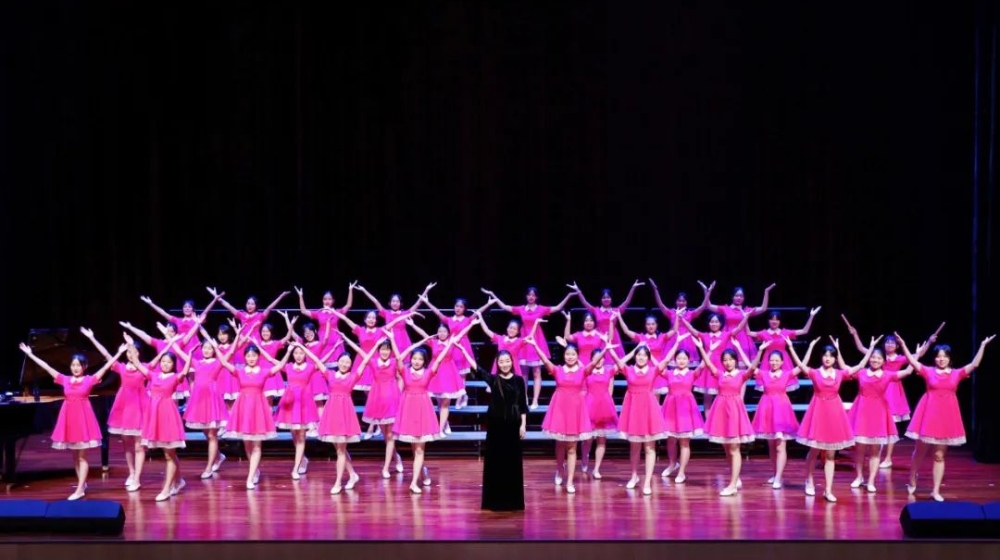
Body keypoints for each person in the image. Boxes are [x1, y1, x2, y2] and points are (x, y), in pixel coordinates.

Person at [19, 341, 126, 501]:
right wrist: (30, 354)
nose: (75, 368)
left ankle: (80, 488)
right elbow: (47, 367)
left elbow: (105, 368)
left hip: (83, 418)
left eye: (78, 365)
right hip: (69, 418)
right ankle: (82, 484)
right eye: (73, 365)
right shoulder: (65, 379)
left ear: (84, 367)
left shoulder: (89, 380)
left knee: (82, 456)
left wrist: (119, 353)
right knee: (75, 455)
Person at [896, 332, 995, 502]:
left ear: (949, 358)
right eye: (938, 356)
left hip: (947, 416)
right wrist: (904, 345)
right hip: (928, 414)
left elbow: (974, 364)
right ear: (934, 358)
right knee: (920, 451)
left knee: (939, 455)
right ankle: (912, 476)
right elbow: (912, 362)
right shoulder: (928, 371)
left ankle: (935, 491)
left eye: (944, 356)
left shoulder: (956, 373)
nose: (941, 359)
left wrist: (982, 345)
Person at [842, 315, 943, 468]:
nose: (889, 344)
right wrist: (855, 334)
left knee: (890, 426)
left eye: (893, 343)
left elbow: (916, 356)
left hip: (893, 390)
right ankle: (873, 456)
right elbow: (862, 349)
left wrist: (929, 342)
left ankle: (888, 458)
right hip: (875, 388)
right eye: (887, 342)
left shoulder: (900, 358)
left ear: (897, 346)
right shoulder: (877, 357)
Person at [787, 336, 878, 502]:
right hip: (818, 412)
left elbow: (859, 366)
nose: (827, 358)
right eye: (825, 355)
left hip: (834, 413)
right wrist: (795, 347)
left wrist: (870, 349)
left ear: (835, 359)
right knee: (814, 451)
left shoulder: (839, 374)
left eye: (831, 356)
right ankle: (809, 480)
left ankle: (828, 490)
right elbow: (800, 365)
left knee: (830, 454)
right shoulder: (815, 373)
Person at [480, 286, 578, 410]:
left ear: (536, 297)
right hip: (523, 341)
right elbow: (504, 306)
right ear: (526, 296)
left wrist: (569, 295)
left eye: (533, 295)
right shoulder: (521, 309)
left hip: (536, 340)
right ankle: (524, 397)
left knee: (537, 372)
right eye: (529, 295)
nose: (531, 297)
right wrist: (493, 294)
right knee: (523, 372)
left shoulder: (541, 309)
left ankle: (535, 400)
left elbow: (557, 307)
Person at [525, 337, 601, 494]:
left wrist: (606, 348)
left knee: (572, 447)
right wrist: (535, 345)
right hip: (559, 409)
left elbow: (594, 363)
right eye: (567, 354)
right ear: (564, 355)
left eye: (573, 354)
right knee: (560, 445)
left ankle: (570, 481)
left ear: (577, 356)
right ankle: (560, 469)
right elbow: (545, 360)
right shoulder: (558, 370)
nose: (570, 357)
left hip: (575, 411)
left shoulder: (582, 371)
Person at [460, 346, 528, 511]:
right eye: (501, 362)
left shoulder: (519, 380)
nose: (504, 364)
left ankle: (513, 501)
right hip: (496, 427)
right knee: (495, 462)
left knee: (512, 463)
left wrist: (523, 424)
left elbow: (522, 404)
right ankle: (494, 501)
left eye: (507, 361)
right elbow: (477, 369)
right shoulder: (493, 379)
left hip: (513, 425)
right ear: (497, 364)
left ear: (512, 362)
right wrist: (463, 350)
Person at [127, 336, 191, 501]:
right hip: (155, 416)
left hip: (168, 416)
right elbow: (137, 363)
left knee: (169, 454)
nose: (165, 364)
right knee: (168, 453)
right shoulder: (153, 376)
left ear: (173, 364)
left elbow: (185, 372)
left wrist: (189, 356)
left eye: (169, 362)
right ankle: (179, 481)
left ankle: (166, 489)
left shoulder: (175, 377)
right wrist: (130, 344)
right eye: (163, 361)